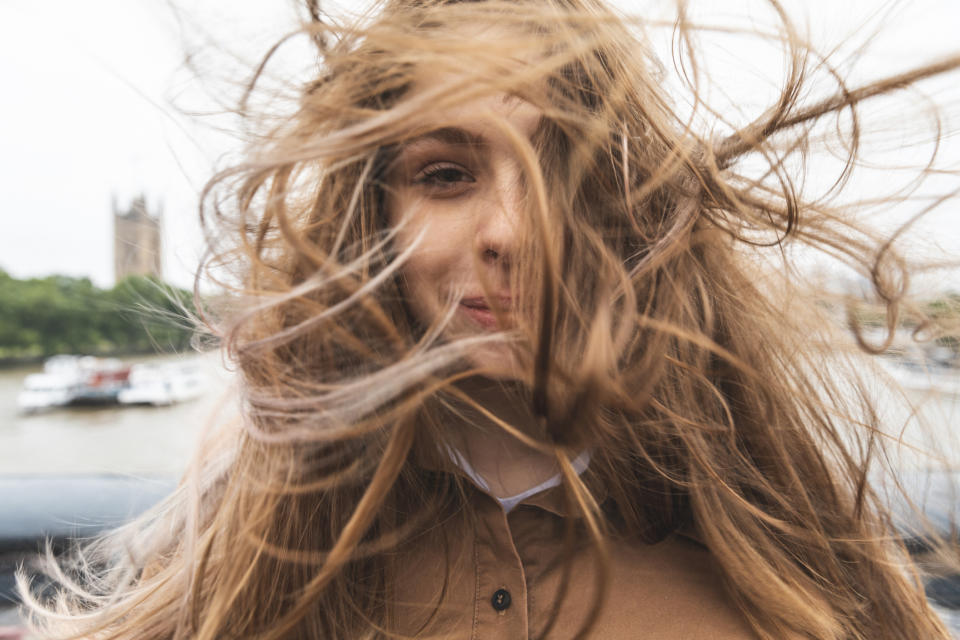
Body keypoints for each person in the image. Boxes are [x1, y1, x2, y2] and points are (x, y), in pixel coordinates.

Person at [19, 0, 960, 638]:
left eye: (567, 172)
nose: (512, 231)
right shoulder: (252, 548)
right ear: (370, 213)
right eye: (446, 173)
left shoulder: (785, 552)